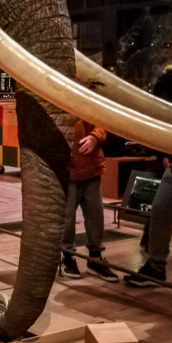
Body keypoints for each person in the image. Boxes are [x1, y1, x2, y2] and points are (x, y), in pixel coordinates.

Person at [125, 36, 172, 287]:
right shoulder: (169, 83)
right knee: (159, 213)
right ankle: (155, 267)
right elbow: (157, 120)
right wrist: (162, 154)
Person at [59, 119, 118, 282]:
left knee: (96, 214)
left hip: (91, 166)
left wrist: (95, 137)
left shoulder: (87, 98)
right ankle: (68, 256)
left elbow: (101, 120)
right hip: (67, 169)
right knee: (67, 216)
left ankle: (95, 258)